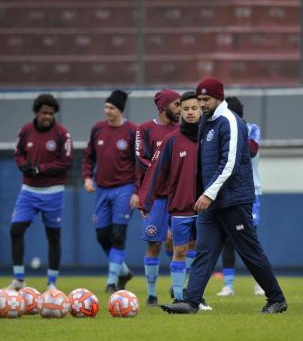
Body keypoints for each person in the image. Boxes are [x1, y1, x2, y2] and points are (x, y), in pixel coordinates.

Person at [160, 77, 288, 314]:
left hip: (234, 200)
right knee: (204, 252)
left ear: (218, 97)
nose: (202, 104)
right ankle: (191, 301)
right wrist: (204, 194)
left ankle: (276, 299)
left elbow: (228, 164)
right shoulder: (206, 122)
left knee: (250, 251)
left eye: (205, 99)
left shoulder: (230, 121)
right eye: (199, 100)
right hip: (213, 202)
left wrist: (207, 194)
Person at [139, 91, 211, 310]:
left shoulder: (210, 136)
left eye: (194, 108)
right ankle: (180, 297)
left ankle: (194, 294)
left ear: (201, 109)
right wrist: (146, 200)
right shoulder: (171, 140)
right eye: (186, 108)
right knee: (179, 250)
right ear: (181, 111)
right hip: (180, 206)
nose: (189, 112)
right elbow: (155, 170)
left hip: (206, 206)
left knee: (199, 252)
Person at [7, 93, 73, 290]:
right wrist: (23, 166)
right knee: (15, 230)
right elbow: (18, 153)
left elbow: (66, 161)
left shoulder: (62, 134)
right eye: (44, 113)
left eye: (51, 113)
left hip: (53, 192)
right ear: (36, 112)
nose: (47, 117)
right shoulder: (25, 131)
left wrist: (40, 169)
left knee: (53, 236)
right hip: (28, 191)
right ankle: (19, 279)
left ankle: (52, 283)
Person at [82, 89, 137, 293]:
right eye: (106, 106)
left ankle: (111, 281)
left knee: (118, 234)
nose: (107, 111)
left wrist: (137, 191)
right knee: (102, 236)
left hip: (125, 188)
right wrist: (88, 177)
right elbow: (89, 157)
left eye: (112, 107)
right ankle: (123, 271)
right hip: (102, 190)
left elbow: (140, 164)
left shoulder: (132, 131)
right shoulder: (98, 129)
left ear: (120, 109)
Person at [135, 89, 181, 306]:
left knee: (180, 243)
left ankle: (178, 287)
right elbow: (139, 160)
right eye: (177, 105)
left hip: (178, 196)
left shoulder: (181, 130)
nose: (180, 109)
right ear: (164, 106)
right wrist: (161, 170)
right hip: (156, 198)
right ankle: (151, 294)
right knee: (154, 244)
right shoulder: (144, 130)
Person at [216, 96, 264, 297]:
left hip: (251, 191)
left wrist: (235, 130)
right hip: (226, 190)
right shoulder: (219, 129)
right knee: (227, 239)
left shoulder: (251, 129)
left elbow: (251, 151)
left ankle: (260, 282)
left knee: (250, 237)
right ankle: (228, 285)